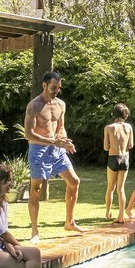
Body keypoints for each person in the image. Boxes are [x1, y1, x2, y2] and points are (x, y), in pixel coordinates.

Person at [23, 71, 84, 242]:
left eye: (58, 88)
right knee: (36, 190)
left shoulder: (61, 105)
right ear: (44, 85)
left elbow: (60, 127)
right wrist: (53, 141)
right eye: (53, 87)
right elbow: (29, 134)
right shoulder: (34, 106)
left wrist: (64, 140)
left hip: (57, 149)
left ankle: (69, 222)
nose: (56, 90)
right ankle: (34, 231)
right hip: (39, 150)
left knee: (74, 181)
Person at [103, 103, 134, 223]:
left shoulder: (109, 128)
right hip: (125, 158)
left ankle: (107, 213)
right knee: (121, 189)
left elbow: (106, 147)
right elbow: (131, 145)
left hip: (113, 158)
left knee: (110, 187)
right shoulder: (129, 127)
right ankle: (121, 216)